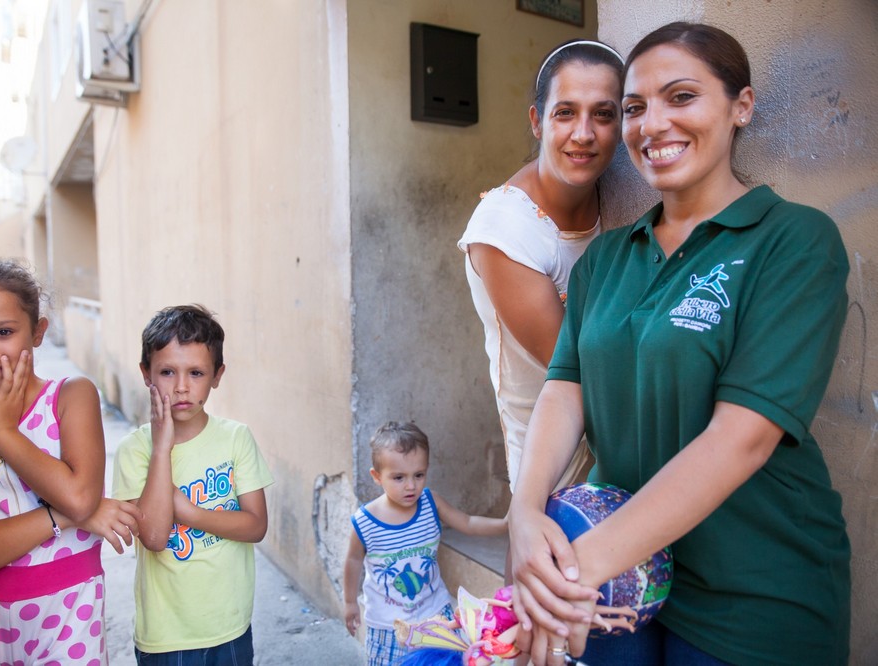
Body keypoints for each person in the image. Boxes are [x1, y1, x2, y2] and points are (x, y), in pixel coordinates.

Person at [508, 22, 851, 666]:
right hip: (621, 592)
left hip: (752, 596)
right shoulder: (607, 256)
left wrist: (567, 578)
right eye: (635, 108)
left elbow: (741, 437)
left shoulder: (794, 241)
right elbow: (565, 387)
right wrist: (525, 516)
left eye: (682, 97)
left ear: (740, 107)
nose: (651, 124)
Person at [0, 260, 142, 665]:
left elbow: (80, 497)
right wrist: (63, 516)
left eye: (4, 332)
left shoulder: (71, 397)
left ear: (38, 331)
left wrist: (5, 433)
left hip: (67, 622)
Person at [458, 39, 624, 494]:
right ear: (537, 121)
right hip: (552, 467)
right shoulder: (506, 227)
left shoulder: (618, 199)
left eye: (604, 114)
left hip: (618, 451)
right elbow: (574, 370)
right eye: (565, 112)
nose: (584, 133)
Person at [112, 304, 273, 665]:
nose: (182, 387)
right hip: (167, 636)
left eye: (196, 372)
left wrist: (184, 510)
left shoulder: (236, 439)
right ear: (146, 373)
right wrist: (161, 449)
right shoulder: (134, 451)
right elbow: (154, 537)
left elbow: (255, 525)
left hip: (230, 625)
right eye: (167, 371)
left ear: (217, 375)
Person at [342, 421, 508, 666]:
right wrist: (349, 602)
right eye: (399, 477)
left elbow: (468, 522)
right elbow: (353, 560)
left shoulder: (431, 503)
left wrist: (505, 524)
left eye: (418, 475)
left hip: (436, 617)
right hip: (389, 626)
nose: (411, 486)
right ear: (376, 477)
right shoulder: (365, 522)